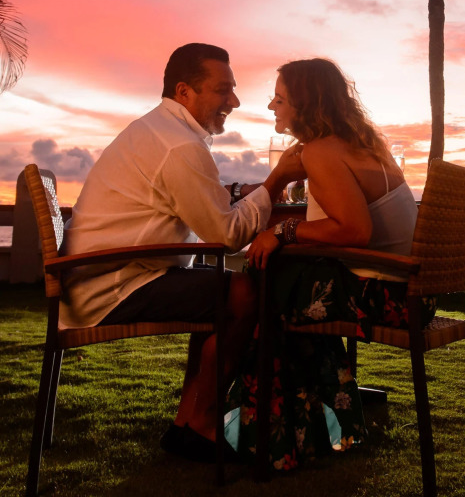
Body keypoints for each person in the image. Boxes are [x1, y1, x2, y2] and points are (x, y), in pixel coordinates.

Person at [62, 43, 301, 462]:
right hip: (111, 285)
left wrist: (237, 192)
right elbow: (227, 235)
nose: (235, 101)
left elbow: (190, 197)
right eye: (223, 90)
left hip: (97, 276)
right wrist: (276, 180)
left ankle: (186, 424)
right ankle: (202, 423)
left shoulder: (158, 131)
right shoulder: (179, 145)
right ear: (184, 91)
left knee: (217, 291)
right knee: (244, 293)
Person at [227, 57, 430, 471]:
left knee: (263, 287)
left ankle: (273, 438)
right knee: (279, 282)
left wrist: (281, 232)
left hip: (384, 297)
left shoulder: (321, 151)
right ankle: (322, 426)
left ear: (305, 103)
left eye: (280, 98)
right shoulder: (359, 143)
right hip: (411, 294)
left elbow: (354, 230)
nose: (271, 106)